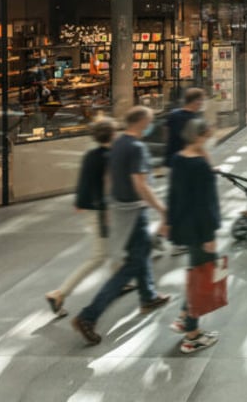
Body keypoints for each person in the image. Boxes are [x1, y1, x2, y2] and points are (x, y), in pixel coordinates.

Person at [72, 107, 171, 345]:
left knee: (143, 251)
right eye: (148, 122)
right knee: (131, 266)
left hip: (120, 210)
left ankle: (148, 295)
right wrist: (162, 209)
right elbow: (141, 184)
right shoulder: (136, 147)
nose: (150, 126)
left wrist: (108, 207)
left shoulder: (117, 144)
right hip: (134, 211)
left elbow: (109, 178)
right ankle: (89, 315)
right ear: (141, 122)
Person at [45, 117, 117, 317]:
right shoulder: (108, 157)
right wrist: (108, 212)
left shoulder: (91, 154)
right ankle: (60, 293)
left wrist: (80, 202)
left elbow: (83, 182)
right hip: (102, 212)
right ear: (112, 134)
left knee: (112, 249)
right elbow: (106, 187)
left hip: (92, 209)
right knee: (98, 257)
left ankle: (121, 279)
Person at [164, 118, 221, 354]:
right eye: (206, 135)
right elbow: (204, 204)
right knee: (202, 277)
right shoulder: (199, 166)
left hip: (185, 226)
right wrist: (209, 236)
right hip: (200, 229)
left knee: (196, 273)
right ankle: (192, 335)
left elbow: (173, 194)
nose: (209, 138)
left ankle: (184, 315)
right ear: (198, 137)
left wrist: (168, 222)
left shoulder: (178, 159)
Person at [164, 87, 205, 167]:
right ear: (196, 101)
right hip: (188, 162)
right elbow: (197, 145)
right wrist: (208, 164)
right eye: (201, 100)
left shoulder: (173, 114)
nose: (202, 103)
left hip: (172, 159)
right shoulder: (195, 120)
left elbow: (166, 134)